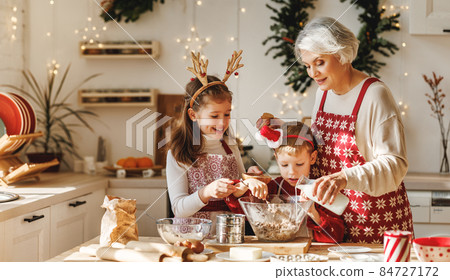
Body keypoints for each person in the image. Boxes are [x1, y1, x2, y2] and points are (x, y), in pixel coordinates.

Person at [293, 16, 413, 243]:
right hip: (330, 220)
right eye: (308, 66)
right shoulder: (323, 92)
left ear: (341, 54)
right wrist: (284, 132)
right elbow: (321, 148)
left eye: (319, 62)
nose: (313, 73)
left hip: (373, 220)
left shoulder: (374, 95)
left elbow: (395, 163)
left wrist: (343, 178)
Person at [166, 50, 267, 234]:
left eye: (227, 114)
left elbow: (239, 192)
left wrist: (249, 180)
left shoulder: (230, 145)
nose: (222, 122)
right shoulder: (178, 152)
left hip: (230, 235)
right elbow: (178, 208)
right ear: (193, 115)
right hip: (192, 237)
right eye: (214, 116)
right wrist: (207, 192)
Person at [256, 120, 345, 243]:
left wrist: (313, 212)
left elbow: (336, 236)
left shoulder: (319, 190)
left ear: (312, 158)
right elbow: (243, 211)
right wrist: (250, 182)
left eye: (299, 164)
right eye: (284, 165)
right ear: (276, 159)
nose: (292, 172)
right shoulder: (273, 187)